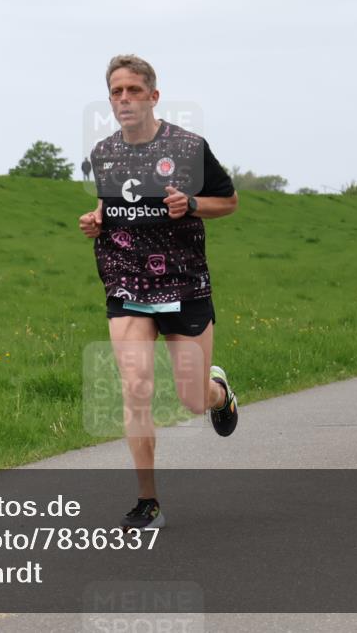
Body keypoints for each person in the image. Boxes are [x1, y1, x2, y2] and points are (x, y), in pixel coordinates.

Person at [78, 54, 239, 531]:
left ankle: (219, 393)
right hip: (126, 281)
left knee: (191, 399)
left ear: (153, 95)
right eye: (116, 92)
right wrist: (97, 219)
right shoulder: (104, 154)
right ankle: (148, 501)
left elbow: (228, 202)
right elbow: (114, 206)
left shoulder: (189, 148)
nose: (124, 99)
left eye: (132, 90)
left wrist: (191, 204)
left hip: (184, 283)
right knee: (136, 387)